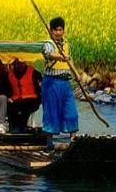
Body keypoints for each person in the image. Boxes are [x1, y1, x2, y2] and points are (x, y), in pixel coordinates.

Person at [41, 16, 79, 150]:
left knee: (71, 112)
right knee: (51, 112)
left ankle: (73, 139)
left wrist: (77, 75)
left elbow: (71, 60)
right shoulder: (48, 43)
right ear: (51, 31)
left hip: (65, 83)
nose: (58, 32)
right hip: (51, 83)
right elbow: (49, 54)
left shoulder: (67, 45)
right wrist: (62, 57)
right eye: (55, 30)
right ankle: (49, 142)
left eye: (60, 30)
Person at [7, 58, 42, 134]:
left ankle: (21, 127)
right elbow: (6, 87)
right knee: (9, 105)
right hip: (16, 99)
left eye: (21, 63)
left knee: (26, 105)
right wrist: (9, 97)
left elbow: (39, 89)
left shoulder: (35, 73)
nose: (19, 65)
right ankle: (13, 127)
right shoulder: (9, 74)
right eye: (17, 63)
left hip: (31, 99)